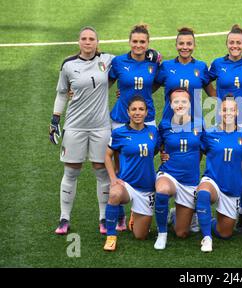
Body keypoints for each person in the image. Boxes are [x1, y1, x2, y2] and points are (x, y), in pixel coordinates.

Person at [50, 26, 114, 235]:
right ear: (79, 42)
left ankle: (103, 218)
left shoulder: (107, 60)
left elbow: (132, 59)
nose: (88, 42)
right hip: (75, 126)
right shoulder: (68, 65)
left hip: (101, 126)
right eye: (84, 39)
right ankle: (64, 218)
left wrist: (153, 55)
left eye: (92, 39)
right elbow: (61, 93)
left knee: (101, 170)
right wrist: (55, 119)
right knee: (71, 171)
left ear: (97, 42)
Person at [108, 23, 161, 232]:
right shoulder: (119, 62)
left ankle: (139, 203)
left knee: (146, 156)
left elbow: (156, 83)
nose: (138, 45)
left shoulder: (154, 62)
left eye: (142, 42)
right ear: (129, 42)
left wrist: (144, 94)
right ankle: (120, 214)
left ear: (147, 44)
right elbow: (108, 82)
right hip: (122, 117)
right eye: (135, 41)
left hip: (146, 117)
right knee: (120, 164)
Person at [207, 24, 242, 231]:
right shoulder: (218, 64)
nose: (234, 46)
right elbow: (206, 83)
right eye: (231, 42)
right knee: (223, 160)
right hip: (224, 119)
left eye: (238, 43)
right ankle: (222, 205)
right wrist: (216, 99)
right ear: (226, 44)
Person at [196, 96, 242, 252]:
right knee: (203, 193)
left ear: (237, 112)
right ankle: (207, 238)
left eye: (232, 110)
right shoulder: (209, 134)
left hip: (232, 186)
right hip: (213, 180)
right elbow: (196, 154)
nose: (228, 113)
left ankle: (199, 217)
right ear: (219, 112)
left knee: (225, 233)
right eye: (224, 110)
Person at [103, 95, 160, 251]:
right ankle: (111, 236)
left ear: (146, 112)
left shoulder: (153, 132)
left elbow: (156, 150)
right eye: (133, 109)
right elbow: (107, 156)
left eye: (141, 109)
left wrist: (165, 155)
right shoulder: (119, 133)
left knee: (140, 236)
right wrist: (113, 178)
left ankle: (134, 214)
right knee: (114, 194)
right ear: (128, 112)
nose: (137, 112)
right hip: (126, 185)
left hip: (147, 188)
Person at [153, 88, 204, 250]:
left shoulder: (199, 124)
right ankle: (162, 234)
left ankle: (176, 213)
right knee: (161, 190)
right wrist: (162, 153)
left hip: (189, 180)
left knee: (182, 233)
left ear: (190, 104)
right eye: (176, 101)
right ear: (170, 104)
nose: (180, 104)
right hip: (169, 174)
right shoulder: (165, 125)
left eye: (184, 101)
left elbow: (204, 149)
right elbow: (158, 145)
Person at [153, 27, 215, 126]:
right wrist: (128, 92)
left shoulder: (201, 67)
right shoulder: (166, 66)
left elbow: (213, 94)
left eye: (189, 44)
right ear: (176, 45)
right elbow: (148, 90)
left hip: (196, 124)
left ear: (194, 45)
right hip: (170, 123)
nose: (185, 47)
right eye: (181, 43)